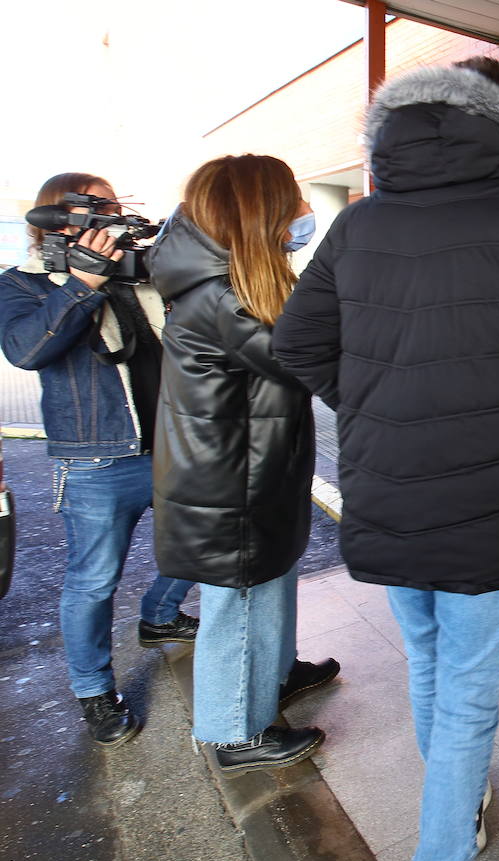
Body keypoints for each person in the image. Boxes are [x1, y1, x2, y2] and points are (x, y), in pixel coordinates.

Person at [272, 58, 499, 861]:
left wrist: (368, 401)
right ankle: (447, 836)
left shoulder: (360, 221)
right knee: (467, 693)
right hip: (490, 496)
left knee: (427, 658)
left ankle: (458, 797)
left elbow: (294, 343)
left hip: (386, 487)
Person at [146, 154, 338, 773]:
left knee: (270, 583)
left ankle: (274, 677)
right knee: (241, 600)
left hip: (252, 471)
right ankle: (234, 732)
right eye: (293, 199)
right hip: (228, 484)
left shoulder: (233, 278)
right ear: (260, 212)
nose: (303, 212)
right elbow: (309, 359)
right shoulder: (220, 295)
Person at [0, 173, 197, 747]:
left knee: (198, 543)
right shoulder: (25, 284)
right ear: (59, 221)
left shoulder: (140, 273)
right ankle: (93, 690)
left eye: (115, 206)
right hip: (95, 458)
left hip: (174, 443)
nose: (114, 217)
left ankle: (160, 612)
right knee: (92, 582)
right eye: (101, 207)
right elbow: (28, 350)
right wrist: (83, 280)